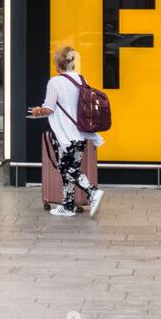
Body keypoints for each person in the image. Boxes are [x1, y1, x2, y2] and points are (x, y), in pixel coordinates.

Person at [30, 45, 104, 218]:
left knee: (65, 167)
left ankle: (92, 192)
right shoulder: (81, 79)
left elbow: (48, 109)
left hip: (64, 134)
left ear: (57, 64)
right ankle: (68, 205)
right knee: (72, 168)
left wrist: (37, 111)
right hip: (81, 133)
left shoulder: (54, 82)